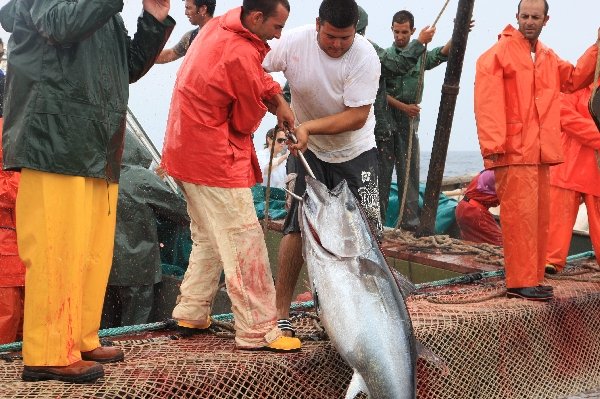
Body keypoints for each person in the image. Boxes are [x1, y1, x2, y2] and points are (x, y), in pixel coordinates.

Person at [0, 0, 174, 383]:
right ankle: (48, 351)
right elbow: (59, 24)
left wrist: (153, 19)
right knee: (54, 249)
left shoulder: (105, 12)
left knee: (91, 253)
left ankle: (79, 337)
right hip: (53, 139)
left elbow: (126, 68)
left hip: (96, 143)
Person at [161, 0, 301, 352]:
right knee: (245, 239)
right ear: (256, 18)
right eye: (277, 27)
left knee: (208, 233)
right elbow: (242, 121)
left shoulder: (220, 25)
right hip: (213, 158)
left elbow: (252, 77)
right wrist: (274, 105)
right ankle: (259, 329)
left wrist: (276, 99)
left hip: (183, 151)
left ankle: (191, 309)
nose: (279, 35)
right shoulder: (240, 50)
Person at [263, 0, 397, 336]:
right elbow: (255, 65)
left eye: (345, 38)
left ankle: (380, 313)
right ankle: (281, 313)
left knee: (369, 234)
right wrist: (277, 100)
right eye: (330, 36)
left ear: (355, 32)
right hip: (308, 152)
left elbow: (357, 116)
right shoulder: (293, 42)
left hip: (356, 152)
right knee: (295, 226)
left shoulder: (365, 56)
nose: (336, 44)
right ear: (318, 24)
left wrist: (309, 128)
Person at [474, 0, 599, 301]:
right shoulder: (496, 56)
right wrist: (493, 150)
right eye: (525, 16)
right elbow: (487, 104)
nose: (529, 21)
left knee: (539, 219)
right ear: (516, 17)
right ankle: (519, 282)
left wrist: (597, 46)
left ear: (546, 19)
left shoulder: (546, 56)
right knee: (519, 219)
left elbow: (574, 78)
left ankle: (533, 277)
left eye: (535, 17)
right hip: (514, 153)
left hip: (543, 155)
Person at [102, 132, 189, 328]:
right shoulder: (142, 177)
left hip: (102, 266)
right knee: (135, 327)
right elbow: (182, 211)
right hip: (137, 268)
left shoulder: (99, 175)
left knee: (104, 325)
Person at [379, 10, 453, 228]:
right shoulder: (387, 57)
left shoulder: (421, 57)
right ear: (391, 30)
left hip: (409, 125)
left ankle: (409, 224)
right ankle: (378, 222)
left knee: (409, 174)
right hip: (387, 122)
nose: (400, 36)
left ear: (412, 31)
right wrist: (404, 107)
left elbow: (442, 53)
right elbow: (380, 92)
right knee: (382, 175)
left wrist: (458, 32)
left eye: (404, 32)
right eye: (396, 32)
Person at [545, 84, 600, 274]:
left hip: (583, 170)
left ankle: (550, 259)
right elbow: (562, 114)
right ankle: (550, 260)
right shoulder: (577, 88)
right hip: (567, 168)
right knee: (557, 217)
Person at [0, 82, 25, 345]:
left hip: (26, 250)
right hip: (8, 249)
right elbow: (16, 189)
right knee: (7, 326)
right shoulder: (11, 132)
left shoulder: (16, 132)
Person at [455, 170, 502, 246]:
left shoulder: (488, 170)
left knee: (474, 246)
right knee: (501, 246)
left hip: (463, 207)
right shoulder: (501, 174)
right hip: (474, 212)